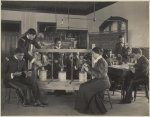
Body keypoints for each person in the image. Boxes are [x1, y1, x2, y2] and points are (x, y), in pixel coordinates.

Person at [75, 47, 111, 114]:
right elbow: (96, 71)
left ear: (97, 54)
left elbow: (99, 75)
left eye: (93, 53)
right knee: (83, 85)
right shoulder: (99, 60)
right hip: (100, 80)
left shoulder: (102, 61)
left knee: (84, 88)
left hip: (103, 82)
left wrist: (87, 69)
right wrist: (88, 67)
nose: (92, 55)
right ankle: (84, 107)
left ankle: (84, 108)